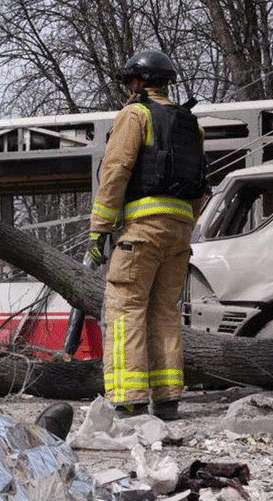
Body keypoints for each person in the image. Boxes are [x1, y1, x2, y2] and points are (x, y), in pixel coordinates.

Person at [89, 50, 207, 421]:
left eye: (129, 83)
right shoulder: (192, 124)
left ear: (138, 82)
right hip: (180, 231)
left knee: (125, 308)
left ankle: (129, 399)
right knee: (166, 313)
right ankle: (168, 399)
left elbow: (116, 171)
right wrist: (186, 223)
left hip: (142, 229)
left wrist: (100, 229)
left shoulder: (134, 114)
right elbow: (202, 184)